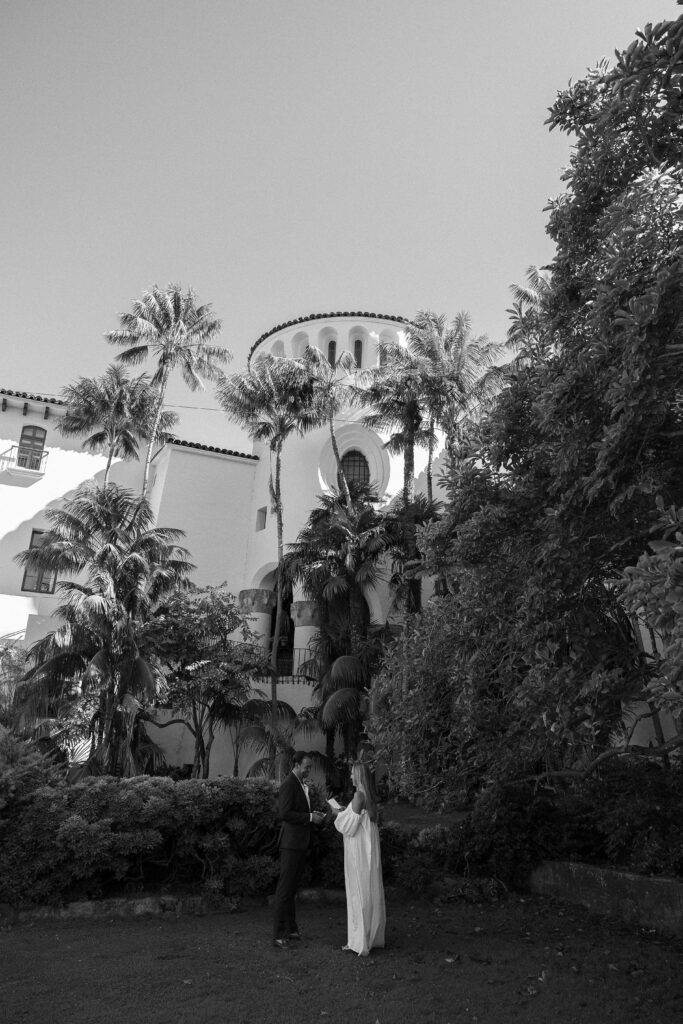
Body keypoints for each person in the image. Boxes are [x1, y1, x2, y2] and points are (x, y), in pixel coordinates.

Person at [272, 750, 326, 948]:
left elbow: (298, 811)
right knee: (285, 889)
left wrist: (312, 814)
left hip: (300, 843)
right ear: (296, 765)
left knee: (292, 888)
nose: (309, 770)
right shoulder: (289, 784)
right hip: (290, 844)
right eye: (307, 766)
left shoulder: (301, 784)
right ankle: (279, 934)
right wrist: (310, 818)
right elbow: (284, 813)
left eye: (310, 767)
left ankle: (291, 929)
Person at [332, 760, 386, 956]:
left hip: (359, 851)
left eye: (353, 773)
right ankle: (371, 935)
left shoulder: (358, 796)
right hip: (368, 849)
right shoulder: (370, 797)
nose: (350, 777)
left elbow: (349, 826)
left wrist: (336, 814)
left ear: (359, 776)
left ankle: (358, 941)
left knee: (358, 891)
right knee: (368, 888)